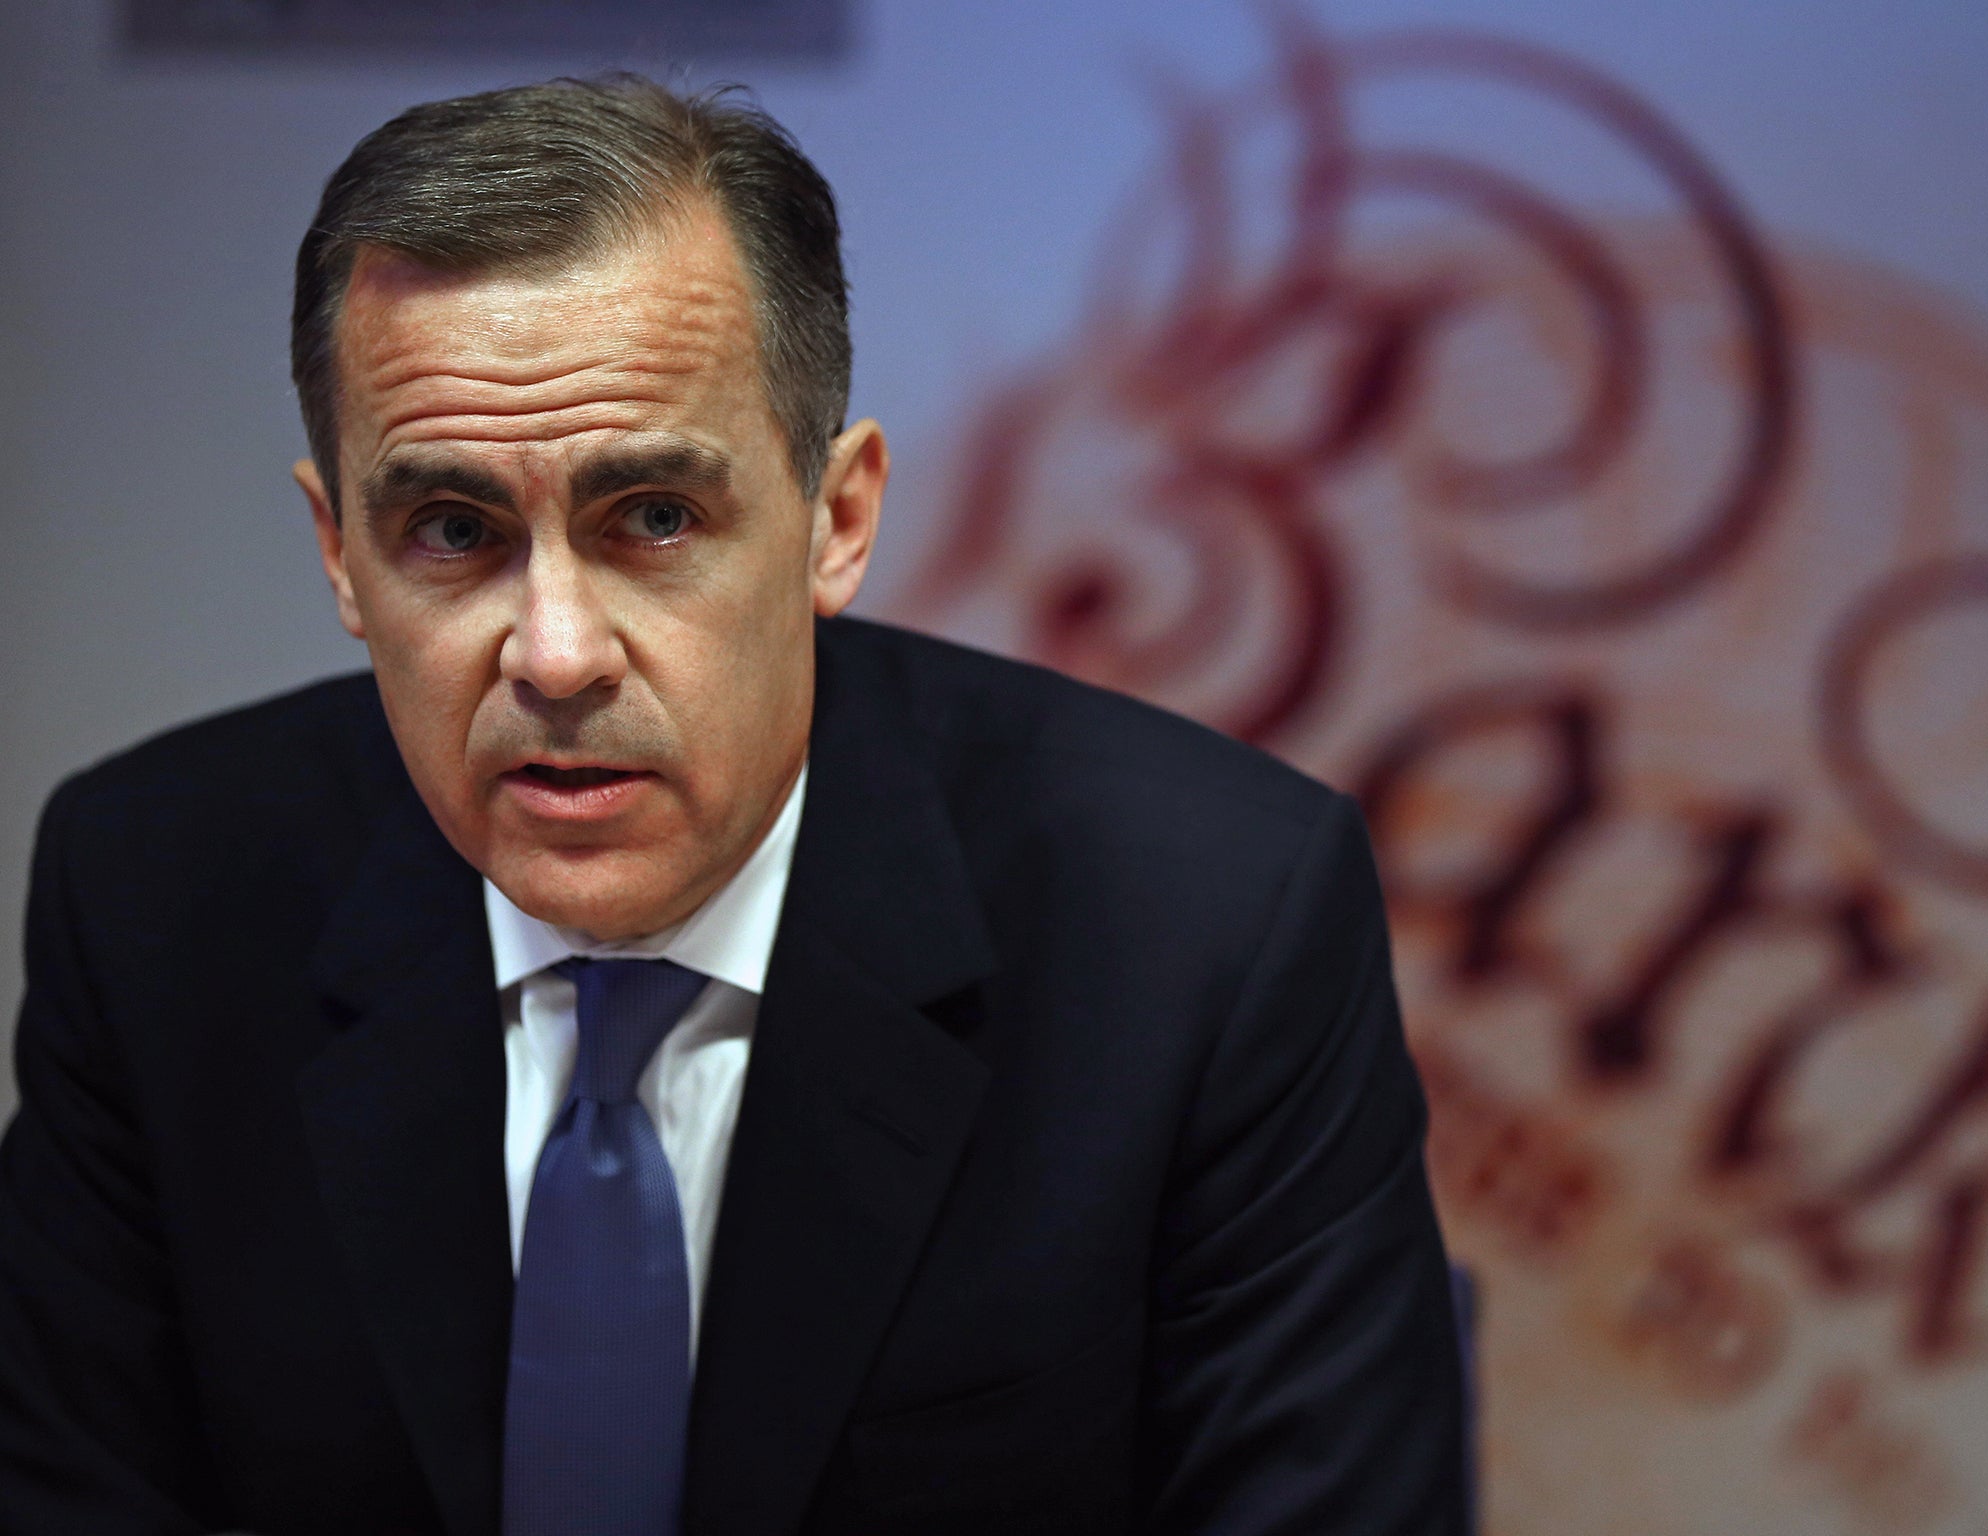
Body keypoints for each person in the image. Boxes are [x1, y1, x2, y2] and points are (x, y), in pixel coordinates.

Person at [0, 76, 1467, 1536]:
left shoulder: (1206, 929)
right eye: (453, 531)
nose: (557, 654)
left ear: (837, 522)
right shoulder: (153, 898)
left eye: (655, 519)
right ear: (338, 554)